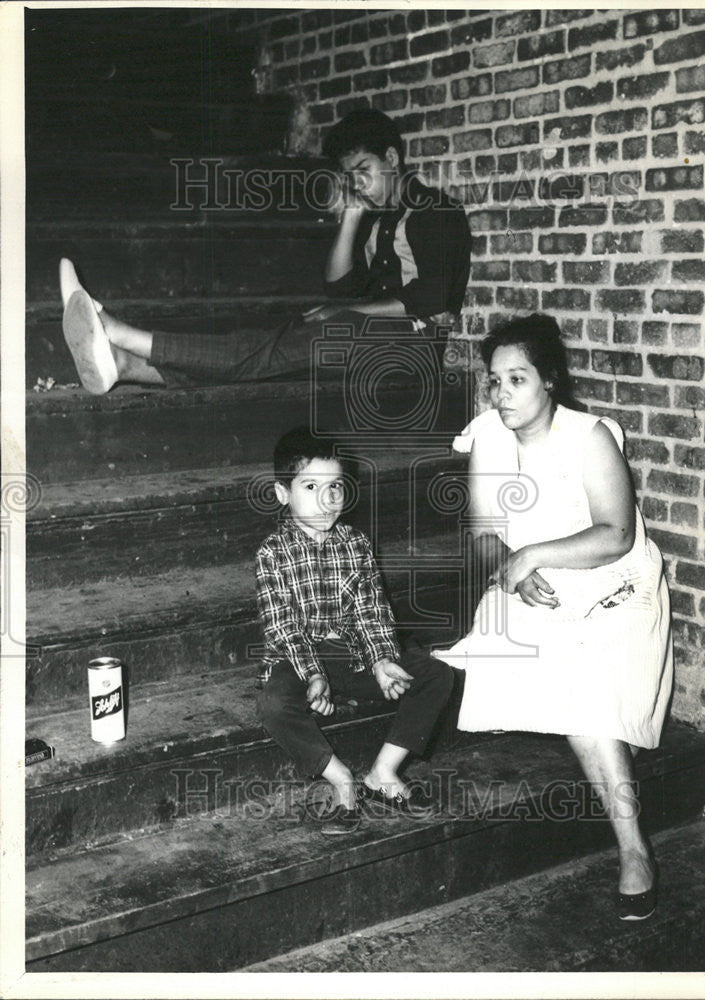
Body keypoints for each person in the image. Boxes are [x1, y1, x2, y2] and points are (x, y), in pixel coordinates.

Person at [434, 314, 673, 920]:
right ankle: (627, 819)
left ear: (550, 382)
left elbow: (617, 535)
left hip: (613, 578)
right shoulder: (489, 434)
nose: (502, 394)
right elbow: (485, 531)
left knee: (584, 688)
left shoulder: (589, 435)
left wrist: (531, 554)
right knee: (552, 673)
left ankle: (633, 849)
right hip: (531, 578)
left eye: (517, 379)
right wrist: (514, 566)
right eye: (494, 381)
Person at [57, 109, 471, 393]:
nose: (357, 182)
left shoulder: (434, 211)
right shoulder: (378, 217)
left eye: (364, 171)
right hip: (372, 338)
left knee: (274, 348)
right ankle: (126, 367)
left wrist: (348, 314)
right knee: (269, 347)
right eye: (350, 176)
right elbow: (341, 287)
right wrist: (350, 216)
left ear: (392, 159)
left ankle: (120, 332)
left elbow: (431, 297)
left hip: (415, 350)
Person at [254, 426, 454, 835]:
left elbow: (371, 610)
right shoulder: (271, 554)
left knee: (437, 675)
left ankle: (383, 773)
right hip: (298, 657)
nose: (328, 499)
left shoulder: (356, 543)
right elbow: (284, 627)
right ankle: (342, 779)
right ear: (282, 493)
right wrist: (312, 675)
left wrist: (381, 660)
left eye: (336, 487)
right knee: (273, 706)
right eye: (311, 486)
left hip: (352, 653)